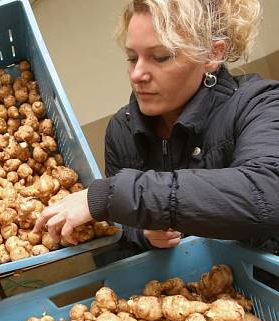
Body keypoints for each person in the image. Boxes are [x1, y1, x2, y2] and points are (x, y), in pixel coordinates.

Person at [34, 0, 279, 256]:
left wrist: (112, 195)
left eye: (160, 57)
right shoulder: (122, 129)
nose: (137, 74)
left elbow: (267, 191)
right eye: (131, 57)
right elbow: (121, 237)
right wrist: (142, 235)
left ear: (212, 54)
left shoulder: (261, 103)